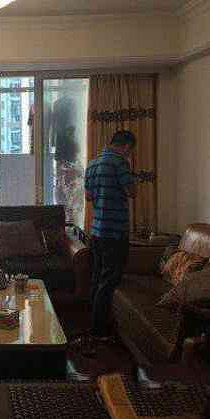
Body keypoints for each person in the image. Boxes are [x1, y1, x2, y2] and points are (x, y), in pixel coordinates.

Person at [79, 130, 138, 357]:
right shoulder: (120, 163)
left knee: (97, 278)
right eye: (130, 150)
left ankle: (91, 323)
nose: (129, 154)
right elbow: (131, 191)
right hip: (115, 232)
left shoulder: (92, 164)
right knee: (109, 280)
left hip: (96, 231)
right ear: (126, 146)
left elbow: (88, 197)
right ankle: (99, 330)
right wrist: (131, 177)